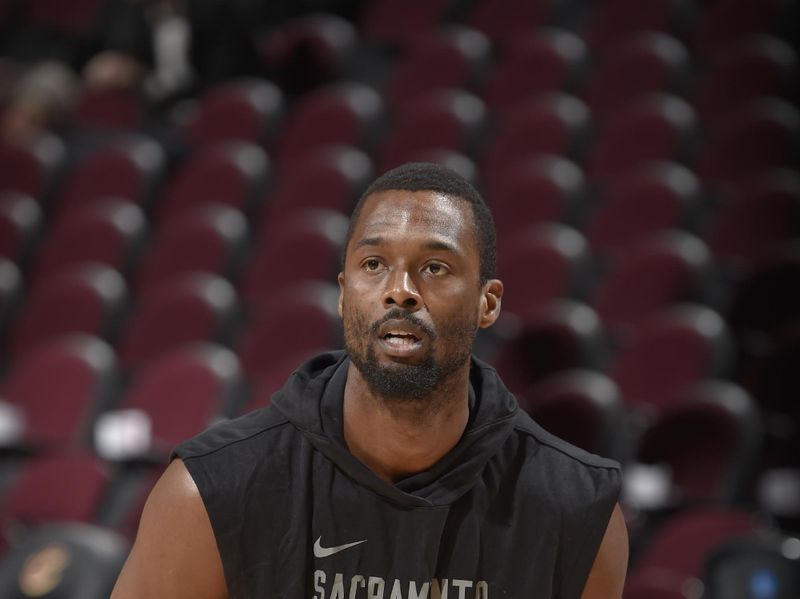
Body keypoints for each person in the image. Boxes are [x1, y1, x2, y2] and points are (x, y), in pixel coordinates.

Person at [111, 162, 628, 598]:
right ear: (343, 293)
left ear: (487, 302)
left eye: (435, 267)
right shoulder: (210, 491)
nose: (399, 291)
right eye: (374, 264)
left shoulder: (576, 509)